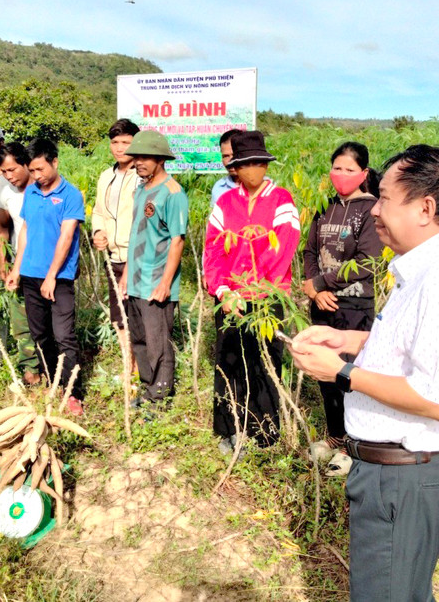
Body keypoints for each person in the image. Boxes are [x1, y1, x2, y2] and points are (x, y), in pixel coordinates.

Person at [288, 145, 439, 601]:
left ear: (425, 208)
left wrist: (343, 374)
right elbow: (411, 350)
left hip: (405, 480)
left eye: (384, 198)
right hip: (390, 476)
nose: (374, 209)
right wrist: (350, 343)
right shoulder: (418, 272)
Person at [203, 130, 300, 453]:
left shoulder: (281, 199)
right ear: (237, 168)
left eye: (260, 162)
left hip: (266, 299)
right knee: (229, 361)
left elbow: (283, 248)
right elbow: (212, 251)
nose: (254, 169)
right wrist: (223, 290)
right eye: (247, 163)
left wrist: (256, 290)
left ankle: (264, 432)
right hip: (229, 299)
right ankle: (229, 429)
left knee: (264, 363)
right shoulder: (226, 202)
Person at [302, 142, 383, 476]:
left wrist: (321, 284)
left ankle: (354, 444)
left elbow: (367, 261)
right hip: (322, 302)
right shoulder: (324, 206)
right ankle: (336, 435)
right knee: (325, 374)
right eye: (337, 168)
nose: (342, 175)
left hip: (354, 304)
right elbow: (308, 251)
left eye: (350, 170)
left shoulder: (371, 209)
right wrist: (312, 286)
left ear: (363, 174)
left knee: (350, 373)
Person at [5, 139, 86, 415]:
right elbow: (25, 230)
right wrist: (17, 268)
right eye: (32, 170)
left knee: (64, 335)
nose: (36, 175)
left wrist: (52, 275)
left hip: (59, 277)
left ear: (55, 162)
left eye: (40, 169)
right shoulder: (31, 193)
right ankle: (54, 382)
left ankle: (73, 391)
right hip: (30, 274)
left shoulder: (71, 195)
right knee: (40, 335)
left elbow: (66, 236)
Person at [123, 130, 188, 408]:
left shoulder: (173, 193)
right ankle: (148, 388)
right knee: (139, 339)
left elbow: (177, 240)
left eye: (145, 157)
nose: (138, 162)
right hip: (136, 280)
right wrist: (126, 274)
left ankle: (160, 398)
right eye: (136, 157)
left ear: (161, 159)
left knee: (158, 342)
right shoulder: (141, 189)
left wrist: (165, 283)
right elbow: (137, 235)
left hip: (156, 282)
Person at [0, 142, 41, 385]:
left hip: (45, 265)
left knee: (49, 319)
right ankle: (30, 369)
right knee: (21, 319)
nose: (9, 176)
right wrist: (3, 261)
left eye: (13, 169)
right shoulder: (6, 194)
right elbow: (2, 226)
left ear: (26, 164)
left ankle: (53, 366)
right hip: (17, 267)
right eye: (4, 171)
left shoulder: (46, 187)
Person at [92, 118, 141, 349]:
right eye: (115, 142)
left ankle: (141, 367)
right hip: (113, 259)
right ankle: (127, 365)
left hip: (137, 258)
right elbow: (99, 211)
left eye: (126, 142)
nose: (119, 148)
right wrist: (98, 231)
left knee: (139, 316)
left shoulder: (142, 177)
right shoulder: (105, 176)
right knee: (119, 318)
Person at [209, 129, 242, 208]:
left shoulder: (264, 186)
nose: (230, 161)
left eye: (234, 155)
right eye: (225, 156)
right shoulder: (219, 187)